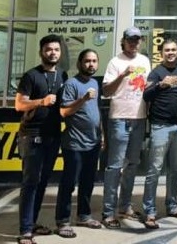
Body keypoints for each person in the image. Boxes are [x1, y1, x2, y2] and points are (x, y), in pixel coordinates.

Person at [14, 34, 68, 244]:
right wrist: (41, 102)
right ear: (41, 52)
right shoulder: (31, 76)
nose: (52, 53)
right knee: (30, 183)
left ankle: (32, 223)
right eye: (48, 49)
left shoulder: (63, 75)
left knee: (42, 182)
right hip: (32, 135)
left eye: (56, 49)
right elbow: (19, 105)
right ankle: (25, 231)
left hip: (52, 135)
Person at [100, 27, 151, 229]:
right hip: (119, 118)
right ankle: (108, 212)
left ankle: (124, 206)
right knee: (115, 166)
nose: (133, 43)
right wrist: (122, 75)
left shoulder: (145, 61)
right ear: (123, 41)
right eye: (130, 40)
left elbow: (148, 88)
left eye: (137, 40)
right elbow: (106, 91)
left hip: (140, 118)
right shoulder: (115, 62)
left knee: (132, 164)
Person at [141, 38, 177, 229]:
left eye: (173, 50)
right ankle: (150, 211)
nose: (170, 53)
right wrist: (160, 85)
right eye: (167, 50)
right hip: (159, 127)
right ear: (162, 53)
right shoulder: (156, 73)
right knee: (154, 170)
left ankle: (172, 205)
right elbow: (146, 95)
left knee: (175, 169)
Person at [54, 49, 105, 238]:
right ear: (79, 64)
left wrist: (102, 135)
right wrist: (83, 99)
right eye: (87, 61)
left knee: (87, 182)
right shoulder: (71, 84)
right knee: (69, 183)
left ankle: (84, 216)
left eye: (94, 61)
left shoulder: (94, 83)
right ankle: (62, 221)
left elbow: (96, 111)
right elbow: (64, 112)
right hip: (74, 143)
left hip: (93, 142)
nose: (91, 64)